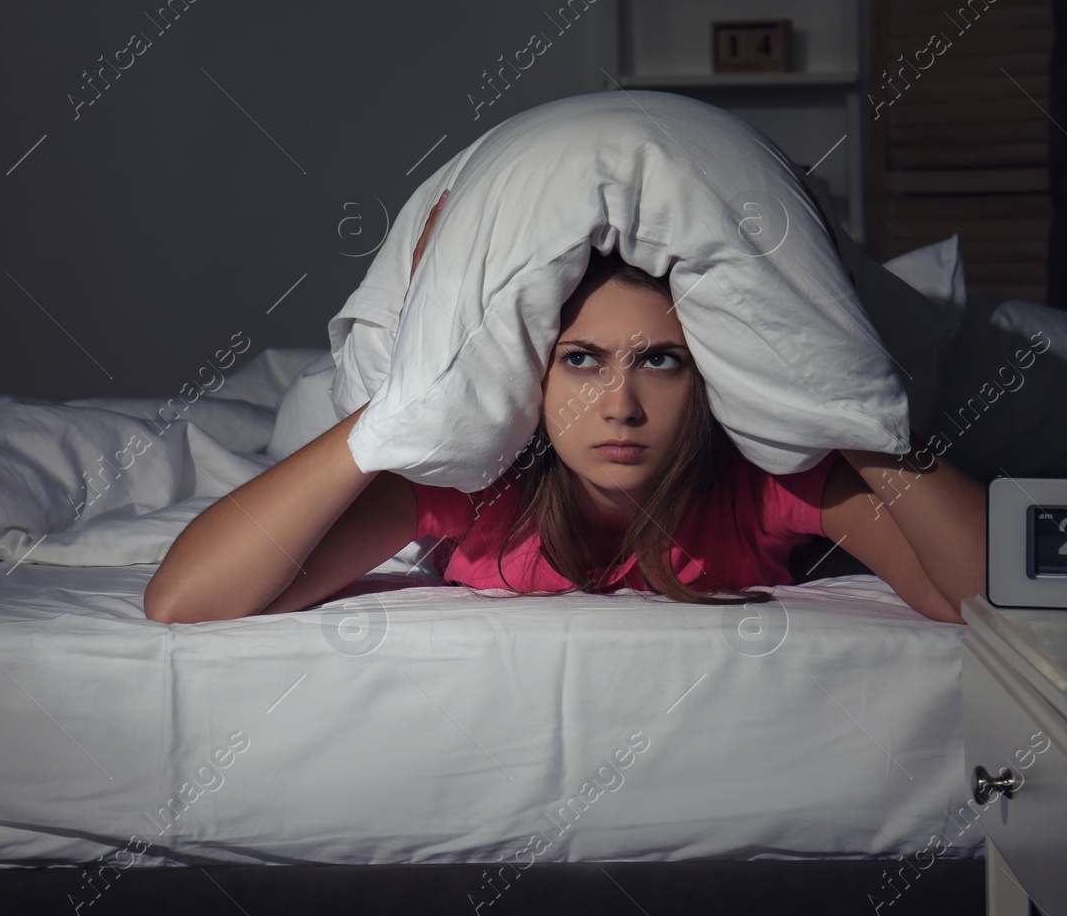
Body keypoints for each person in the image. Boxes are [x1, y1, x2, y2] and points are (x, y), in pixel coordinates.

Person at [143, 191, 986, 625]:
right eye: (581, 361)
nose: (619, 404)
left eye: (661, 362)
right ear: (531, 377)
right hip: (345, 419)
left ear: (712, 379)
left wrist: (851, 409)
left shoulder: (766, 484)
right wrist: (396, 408)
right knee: (295, 414)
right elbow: (183, 599)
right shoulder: (475, 484)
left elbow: (978, 597)